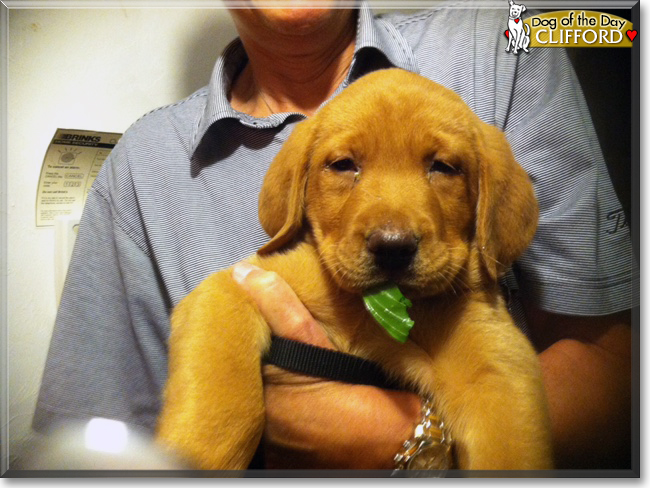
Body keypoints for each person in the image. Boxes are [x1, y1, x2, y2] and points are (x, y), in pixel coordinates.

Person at [33, 0, 637, 471]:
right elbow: (214, 310)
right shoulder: (144, 164)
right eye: (344, 166)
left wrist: (406, 442)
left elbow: (595, 376)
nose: (393, 228)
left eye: (443, 166)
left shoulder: (511, 38)